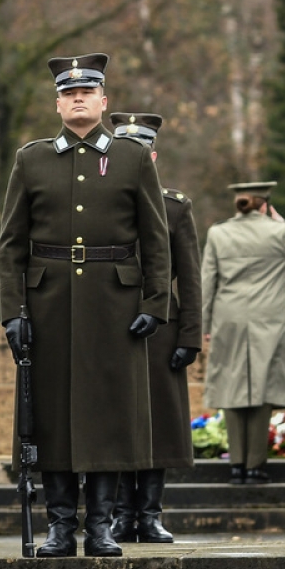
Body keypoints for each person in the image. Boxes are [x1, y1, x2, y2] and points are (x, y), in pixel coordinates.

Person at [0, 53, 171, 558]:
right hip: (47, 305)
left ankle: (99, 527)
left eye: (87, 91)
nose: (78, 98)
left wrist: (156, 303)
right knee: (47, 414)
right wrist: (13, 311)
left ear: (103, 101)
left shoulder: (132, 158)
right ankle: (58, 527)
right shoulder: (30, 159)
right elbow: (11, 244)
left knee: (109, 416)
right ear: (57, 103)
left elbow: (156, 240)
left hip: (114, 306)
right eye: (69, 93)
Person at [107, 113, 201, 543]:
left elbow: (191, 275)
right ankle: (121, 516)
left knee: (159, 423)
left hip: (162, 328)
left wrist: (189, 336)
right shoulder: (101, 201)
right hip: (112, 323)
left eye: (143, 150)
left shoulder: (174, 206)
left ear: (154, 154)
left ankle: (149, 515)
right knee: (118, 421)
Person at [202, 182, 285, 486]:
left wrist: (203, 326)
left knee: (231, 390)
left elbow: (207, 283)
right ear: (265, 203)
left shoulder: (219, 232)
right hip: (267, 319)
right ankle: (255, 466)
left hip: (228, 319)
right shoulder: (278, 232)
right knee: (262, 392)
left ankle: (236, 465)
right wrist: (282, 223)